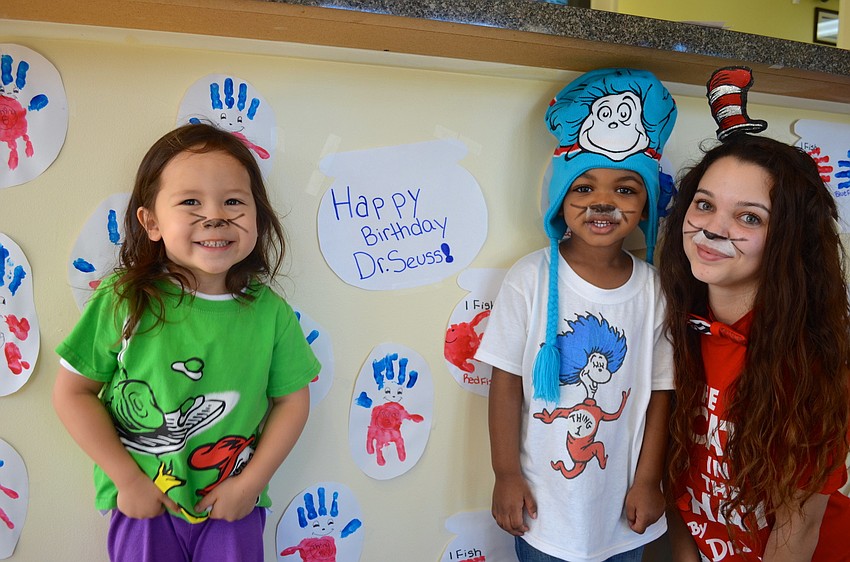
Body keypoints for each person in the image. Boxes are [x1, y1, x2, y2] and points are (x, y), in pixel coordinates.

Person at [53, 123, 320, 562]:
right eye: (191, 202)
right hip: (145, 506)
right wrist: (128, 480)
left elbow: (293, 402)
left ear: (258, 215)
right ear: (151, 222)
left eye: (233, 201)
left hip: (233, 507)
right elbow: (71, 393)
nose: (214, 216)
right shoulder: (125, 299)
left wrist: (250, 485)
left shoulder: (270, 312)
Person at [475, 68, 677, 562]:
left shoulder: (654, 289)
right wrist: (506, 473)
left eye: (625, 190)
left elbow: (660, 396)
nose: (603, 201)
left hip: (622, 511)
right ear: (561, 198)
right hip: (543, 507)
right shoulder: (530, 277)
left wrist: (649, 480)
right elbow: (504, 384)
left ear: (647, 201)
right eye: (583, 188)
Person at [659, 132, 850, 560]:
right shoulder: (672, 328)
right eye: (704, 204)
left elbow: (798, 532)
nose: (712, 228)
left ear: (789, 238)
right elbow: (675, 484)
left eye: (750, 218)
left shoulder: (810, 364)